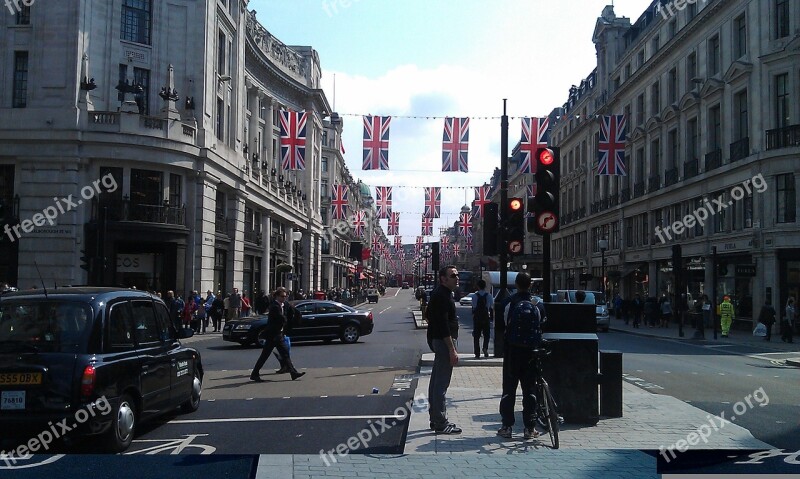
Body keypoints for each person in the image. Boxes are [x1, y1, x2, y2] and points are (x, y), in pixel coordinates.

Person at [497, 272, 544, 440]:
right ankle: (529, 428)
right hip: (531, 352)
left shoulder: (508, 302)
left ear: (515, 284)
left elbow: (501, 324)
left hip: (512, 351)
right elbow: (543, 323)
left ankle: (506, 426)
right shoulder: (537, 303)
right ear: (530, 284)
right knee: (529, 389)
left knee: (509, 389)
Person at [426, 265, 462, 434]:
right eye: (453, 275)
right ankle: (440, 422)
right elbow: (443, 326)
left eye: (457, 275)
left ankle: (435, 418)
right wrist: (452, 349)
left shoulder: (441, 293)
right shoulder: (442, 296)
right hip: (443, 342)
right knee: (441, 383)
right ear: (443, 278)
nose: (457, 278)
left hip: (438, 340)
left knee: (435, 382)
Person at [250, 287, 305, 382]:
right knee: (266, 356)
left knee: (284, 354)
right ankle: (255, 374)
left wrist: (295, 319)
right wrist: (287, 321)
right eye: (282, 296)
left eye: (285, 296)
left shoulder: (285, 304)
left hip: (278, 334)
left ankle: (293, 372)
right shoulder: (274, 306)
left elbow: (294, 311)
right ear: (277, 297)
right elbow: (281, 318)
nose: (284, 298)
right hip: (273, 335)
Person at [471, 279, 494, 359]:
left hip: (477, 318)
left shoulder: (474, 296)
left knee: (476, 336)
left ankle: (477, 352)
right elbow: (491, 306)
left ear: (478, 286)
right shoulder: (489, 295)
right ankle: (485, 348)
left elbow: (473, 306)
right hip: (485, 317)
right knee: (486, 335)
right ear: (485, 286)